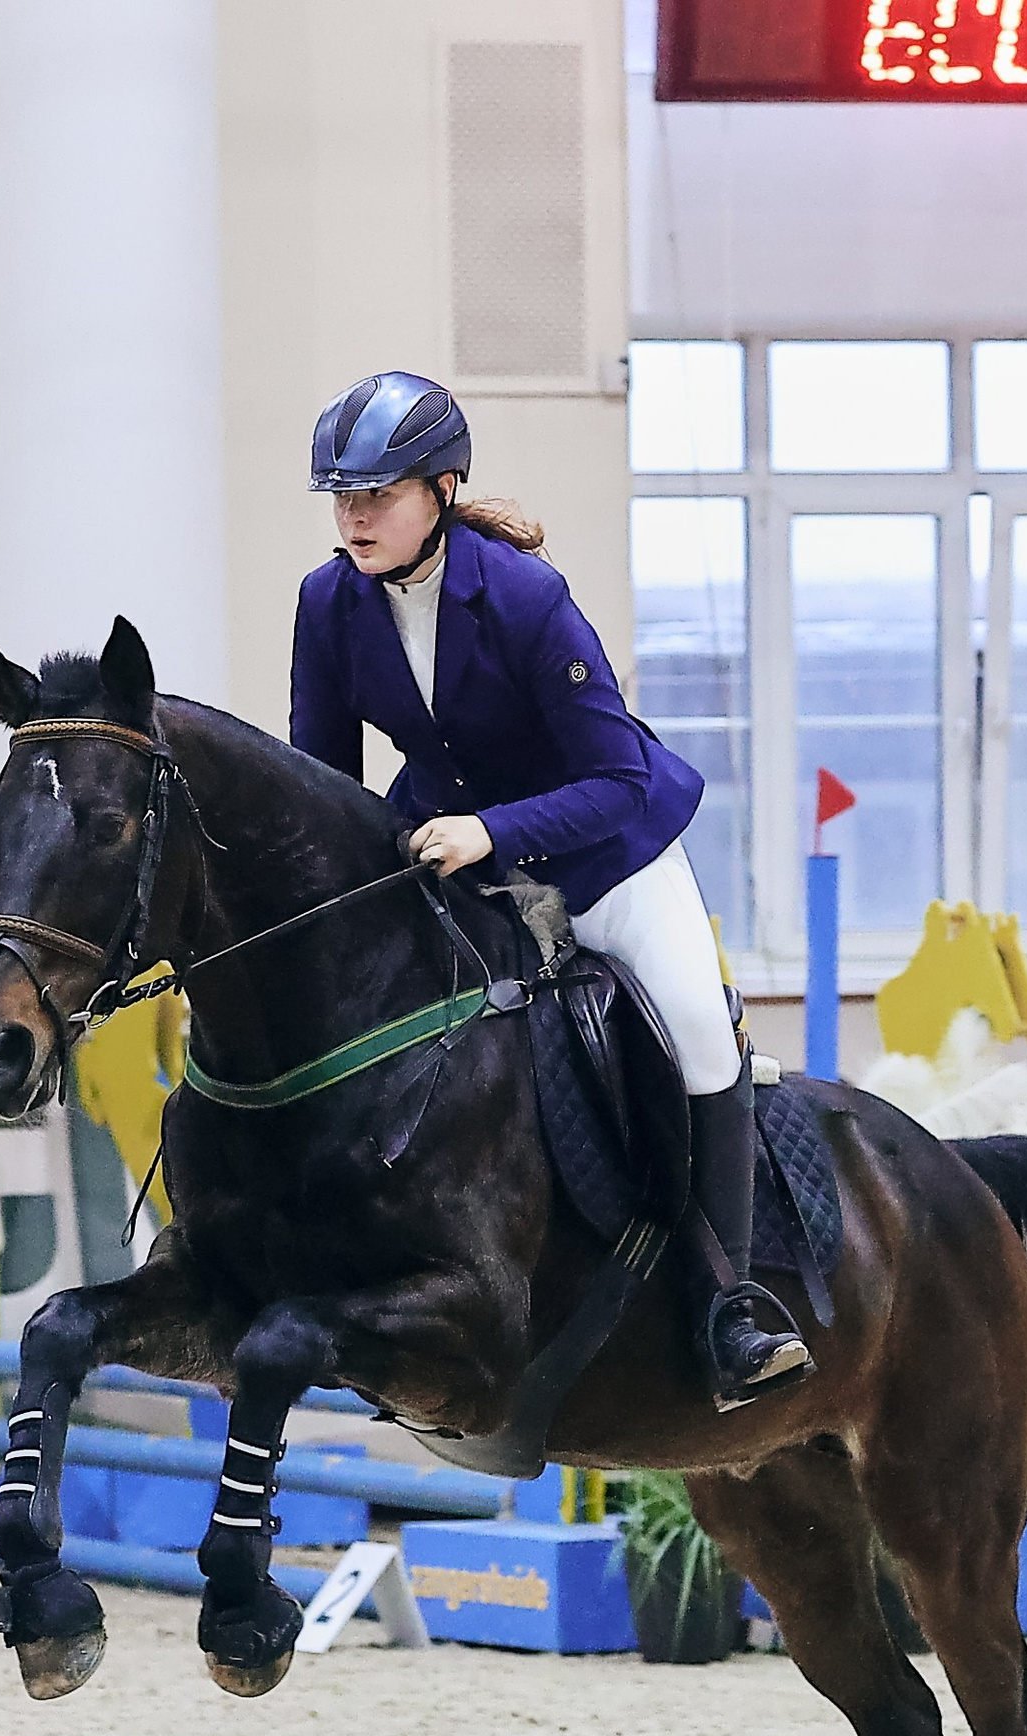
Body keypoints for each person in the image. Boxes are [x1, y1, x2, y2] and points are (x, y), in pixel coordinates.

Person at [289, 369, 812, 1411]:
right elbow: (322, 778)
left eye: (376, 495)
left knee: (702, 1036)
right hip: (448, 852)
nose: (354, 517)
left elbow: (615, 781)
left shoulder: (524, 596)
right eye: (341, 498)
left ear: (440, 488)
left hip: (601, 851)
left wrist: (491, 830)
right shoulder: (328, 602)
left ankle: (730, 1307)